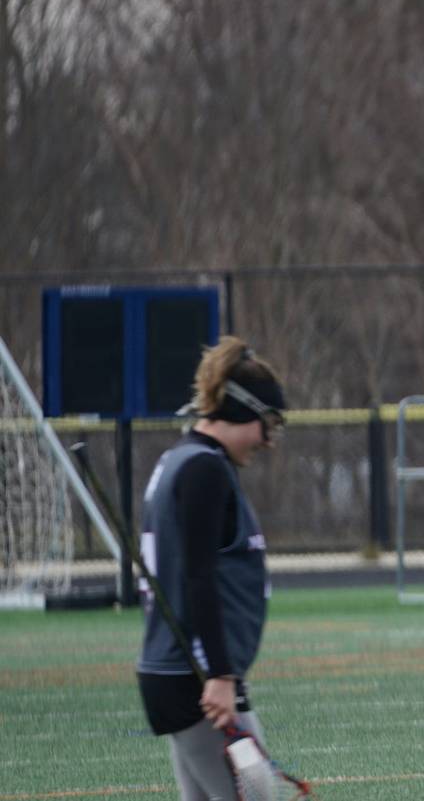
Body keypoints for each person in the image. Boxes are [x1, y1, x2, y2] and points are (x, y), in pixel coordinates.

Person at [135, 337, 289, 801]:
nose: (266, 441)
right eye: (266, 425)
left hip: (184, 671)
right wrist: (220, 675)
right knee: (255, 796)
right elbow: (198, 577)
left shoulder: (184, 459)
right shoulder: (204, 469)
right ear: (242, 410)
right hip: (197, 675)